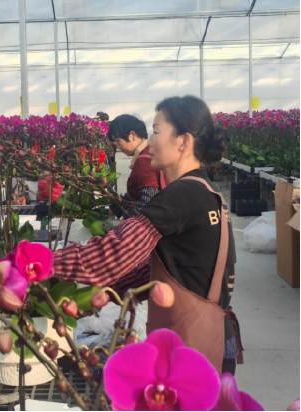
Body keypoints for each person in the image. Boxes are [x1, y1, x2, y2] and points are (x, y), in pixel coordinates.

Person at [54, 96, 242, 376]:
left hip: (195, 345)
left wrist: (42, 264)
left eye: (156, 131)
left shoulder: (182, 194)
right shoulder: (204, 189)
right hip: (210, 335)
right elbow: (166, 267)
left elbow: (118, 252)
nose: (150, 141)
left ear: (183, 140)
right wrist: (109, 294)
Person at [108, 114, 169, 219]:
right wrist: (114, 209)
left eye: (118, 140)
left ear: (132, 135)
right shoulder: (150, 151)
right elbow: (138, 190)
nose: (117, 146)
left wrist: (125, 222)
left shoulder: (143, 160)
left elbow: (147, 201)